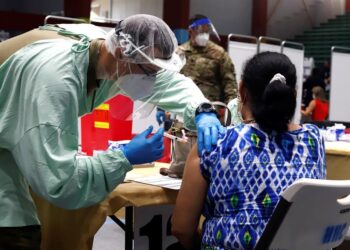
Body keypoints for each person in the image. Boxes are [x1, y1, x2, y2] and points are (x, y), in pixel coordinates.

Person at [0, 14, 223, 247]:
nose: (152, 81)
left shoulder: (107, 52)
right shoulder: (55, 83)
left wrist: (202, 109)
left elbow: (169, 81)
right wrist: (123, 157)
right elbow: (60, 182)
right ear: (120, 54)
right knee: (15, 231)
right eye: (149, 73)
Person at [172, 52, 326, 249]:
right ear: (293, 96)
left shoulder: (214, 144)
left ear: (242, 90)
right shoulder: (314, 140)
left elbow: (181, 229)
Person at [160, 14, 237, 178]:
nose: (205, 33)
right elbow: (167, 81)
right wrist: (163, 108)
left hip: (212, 113)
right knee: (182, 149)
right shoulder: (179, 53)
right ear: (191, 31)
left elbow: (230, 85)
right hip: (183, 113)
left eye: (207, 30)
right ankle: (179, 172)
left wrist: (233, 111)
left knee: (208, 154)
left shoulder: (219, 54)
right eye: (201, 30)